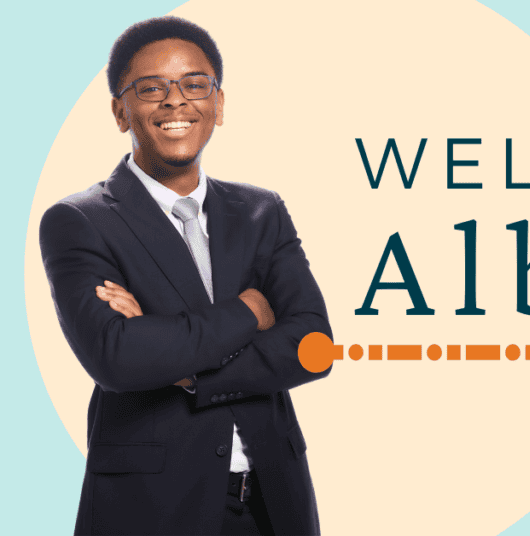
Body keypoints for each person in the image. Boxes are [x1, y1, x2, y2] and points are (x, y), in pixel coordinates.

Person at [38, 16, 332, 535]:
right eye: (152, 89)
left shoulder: (262, 212)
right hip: (150, 509)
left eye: (195, 85)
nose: (176, 101)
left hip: (273, 504)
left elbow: (313, 347)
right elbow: (119, 358)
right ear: (120, 111)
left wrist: (186, 369)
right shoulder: (80, 221)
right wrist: (250, 313)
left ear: (218, 105)